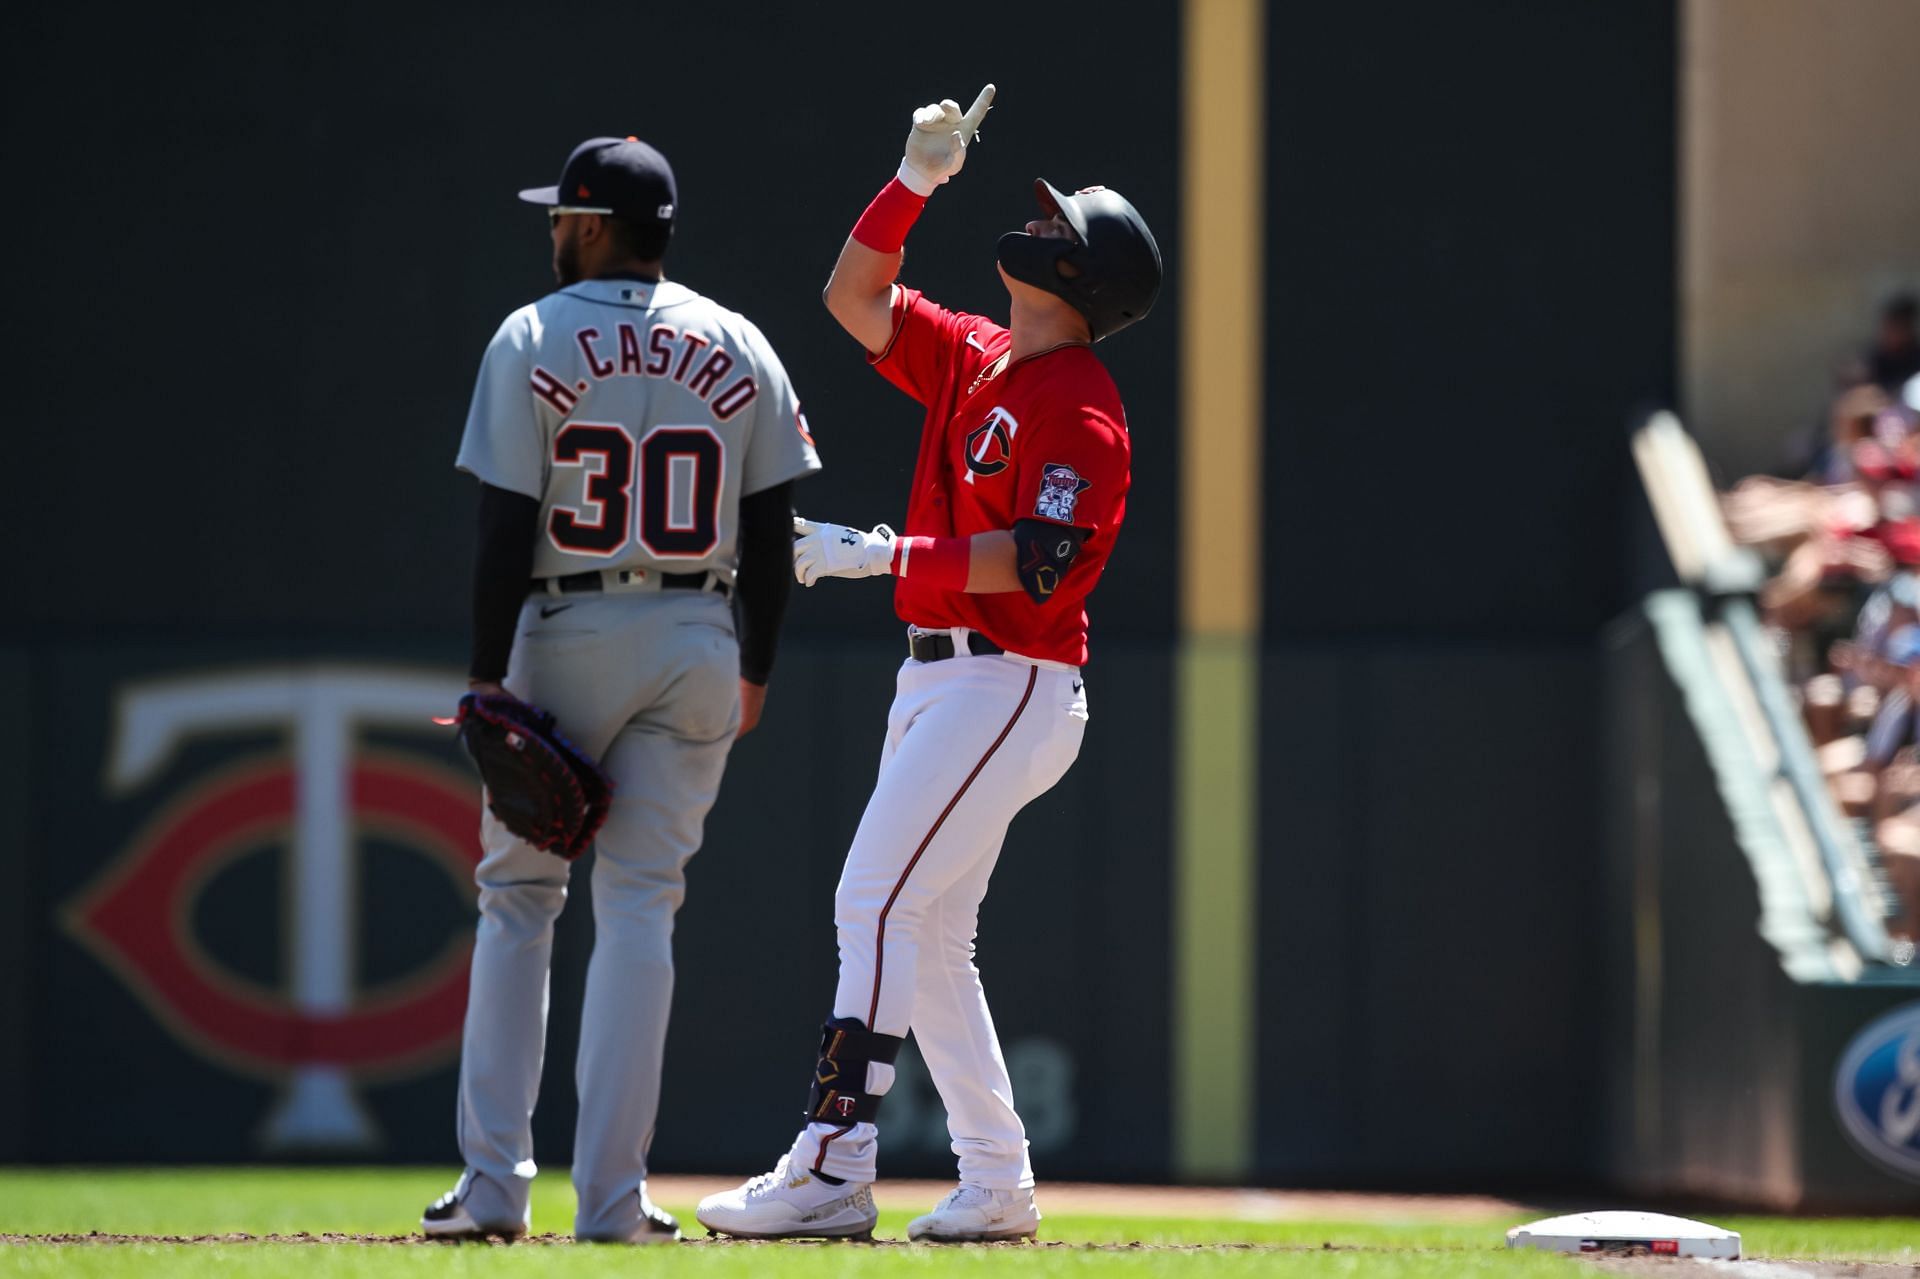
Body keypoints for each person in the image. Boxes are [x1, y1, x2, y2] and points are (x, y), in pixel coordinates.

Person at [695, 84, 1161, 1244]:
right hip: (943, 677)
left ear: (1086, 279)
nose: (1038, 226)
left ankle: (833, 1161)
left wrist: (883, 553)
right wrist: (913, 181)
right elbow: (852, 296)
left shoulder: (1084, 406)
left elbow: (1043, 561)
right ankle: (997, 1181)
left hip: (1011, 678)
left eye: (1062, 228)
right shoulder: (977, 353)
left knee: (873, 897)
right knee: (930, 934)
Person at [423, 136, 821, 1242]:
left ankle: (496, 1188)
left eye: (563, 215)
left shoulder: (531, 334)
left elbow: (506, 522)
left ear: (594, 225)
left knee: (520, 902)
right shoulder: (739, 339)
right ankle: (613, 1202)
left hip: (564, 622)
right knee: (643, 908)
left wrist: (484, 676)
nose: (553, 230)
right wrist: (754, 665)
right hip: (698, 624)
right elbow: (772, 523)